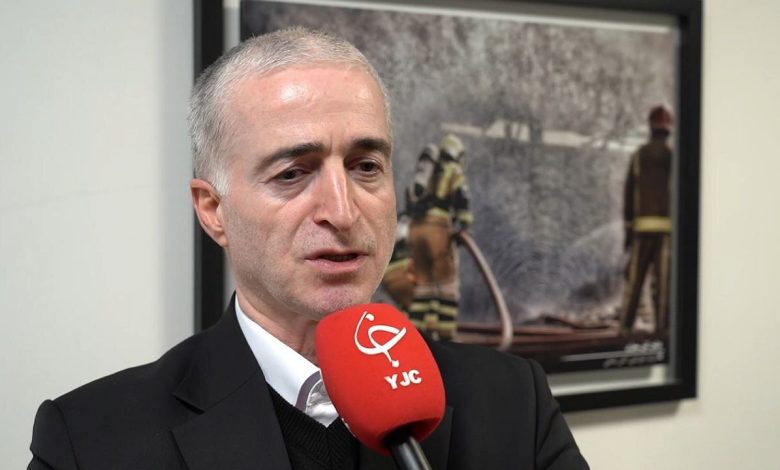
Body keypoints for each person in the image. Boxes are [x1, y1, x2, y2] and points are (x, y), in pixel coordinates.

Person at [28, 28, 588, 469]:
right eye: (293, 173)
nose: (342, 212)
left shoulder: (513, 402)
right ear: (213, 210)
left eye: (365, 166)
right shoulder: (89, 440)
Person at [406, 135, 472, 340]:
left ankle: (415, 336)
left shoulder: (426, 172)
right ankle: (446, 336)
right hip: (437, 228)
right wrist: (464, 223)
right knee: (447, 286)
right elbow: (462, 196)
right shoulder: (454, 171)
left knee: (423, 286)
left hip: (415, 230)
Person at [620, 105, 674, 335]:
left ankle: (625, 327)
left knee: (635, 283)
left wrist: (628, 232)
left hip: (641, 231)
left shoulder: (639, 156)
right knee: (663, 285)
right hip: (666, 232)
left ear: (650, 128)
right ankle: (663, 329)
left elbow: (628, 195)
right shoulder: (674, 157)